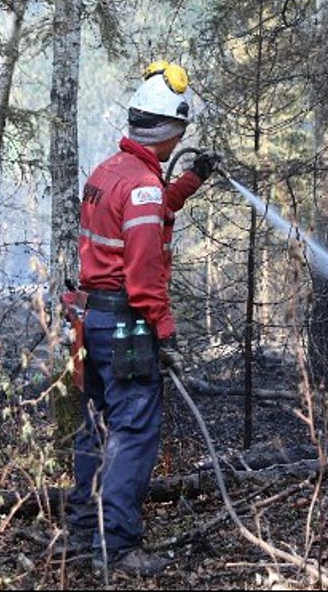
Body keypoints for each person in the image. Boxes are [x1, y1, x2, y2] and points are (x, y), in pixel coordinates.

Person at [63, 61, 218, 576]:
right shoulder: (144, 187)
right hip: (127, 326)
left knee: (96, 427)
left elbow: (144, 211)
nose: (180, 142)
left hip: (93, 323)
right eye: (180, 133)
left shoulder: (109, 172)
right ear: (168, 130)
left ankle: (83, 533)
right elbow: (145, 272)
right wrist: (165, 330)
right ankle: (117, 546)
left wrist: (190, 182)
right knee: (132, 431)